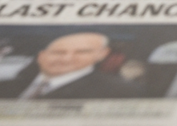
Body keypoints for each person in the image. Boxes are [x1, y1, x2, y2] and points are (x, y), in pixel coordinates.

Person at [0, 32, 140, 100]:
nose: (66, 59)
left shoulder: (119, 90)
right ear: (41, 56)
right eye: (58, 52)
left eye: (82, 52)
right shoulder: (9, 84)